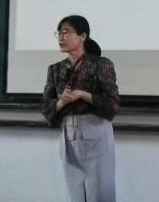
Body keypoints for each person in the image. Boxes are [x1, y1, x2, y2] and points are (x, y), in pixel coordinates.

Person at [42, 15, 120, 202]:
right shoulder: (55, 69)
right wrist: (61, 102)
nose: (61, 37)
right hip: (68, 135)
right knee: (75, 194)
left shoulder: (101, 64)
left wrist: (83, 95)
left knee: (99, 192)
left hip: (95, 131)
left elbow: (113, 104)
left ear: (83, 36)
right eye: (59, 33)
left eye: (66, 32)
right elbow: (46, 107)